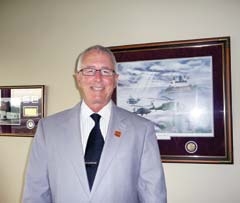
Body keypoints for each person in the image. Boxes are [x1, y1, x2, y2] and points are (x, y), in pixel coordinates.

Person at [22, 45, 167, 203]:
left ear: (115, 79)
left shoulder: (142, 129)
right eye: (90, 70)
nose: (98, 78)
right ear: (78, 78)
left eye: (105, 71)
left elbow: (153, 195)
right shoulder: (48, 129)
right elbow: (35, 193)